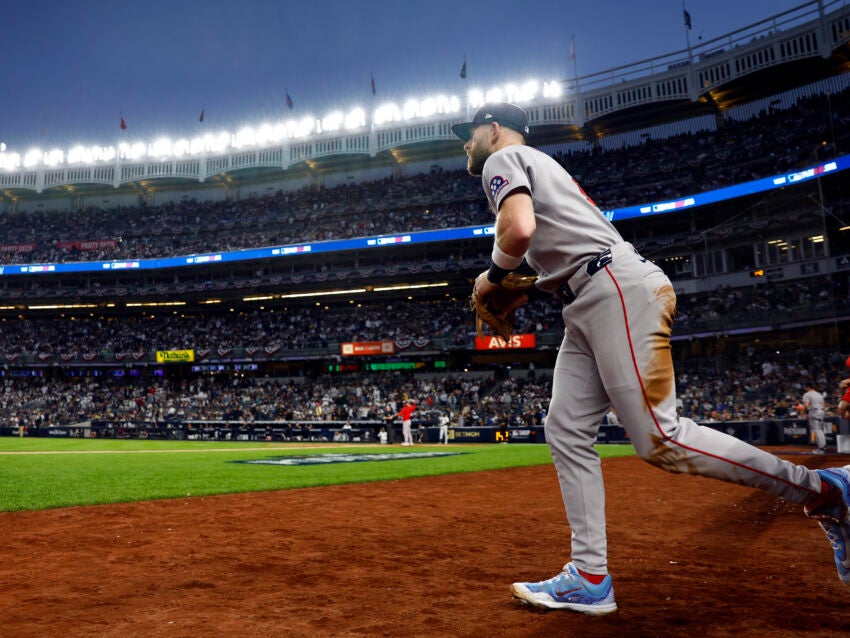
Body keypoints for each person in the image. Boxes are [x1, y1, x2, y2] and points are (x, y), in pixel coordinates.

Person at [451, 101, 850, 616]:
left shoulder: (502, 160)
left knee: (661, 438)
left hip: (610, 286)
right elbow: (547, 244)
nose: (465, 141)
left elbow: (519, 231)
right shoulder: (538, 168)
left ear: (497, 130)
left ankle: (824, 487)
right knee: (566, 428)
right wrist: (517, 284)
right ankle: (589, 577)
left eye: (470, 131)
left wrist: (492, 277)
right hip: (589, 295)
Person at [801, 383, 828, 454]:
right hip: (821, 411)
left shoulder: (807, 394)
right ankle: (823, 446)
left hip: (814, 411)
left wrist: (804, 413)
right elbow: (824, 405)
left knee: (816, 430)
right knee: (820, 429)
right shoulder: (819, 394)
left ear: (808, 387)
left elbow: (806, 406)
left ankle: (821, 448)